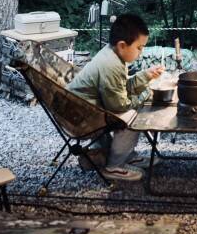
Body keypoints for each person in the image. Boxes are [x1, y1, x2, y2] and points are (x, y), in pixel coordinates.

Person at [68, 13, 163, 181]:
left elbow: (121, 88)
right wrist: (146, 93)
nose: (141, 52)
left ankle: (127, 155)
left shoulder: (112, 53)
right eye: (139, 47)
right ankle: (114, 166)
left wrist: (146, 76)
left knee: (134, 107)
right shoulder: (111, 64)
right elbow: (120, 106)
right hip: (80, 119)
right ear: (122, 45)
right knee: (133, 116)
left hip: (85, 109)